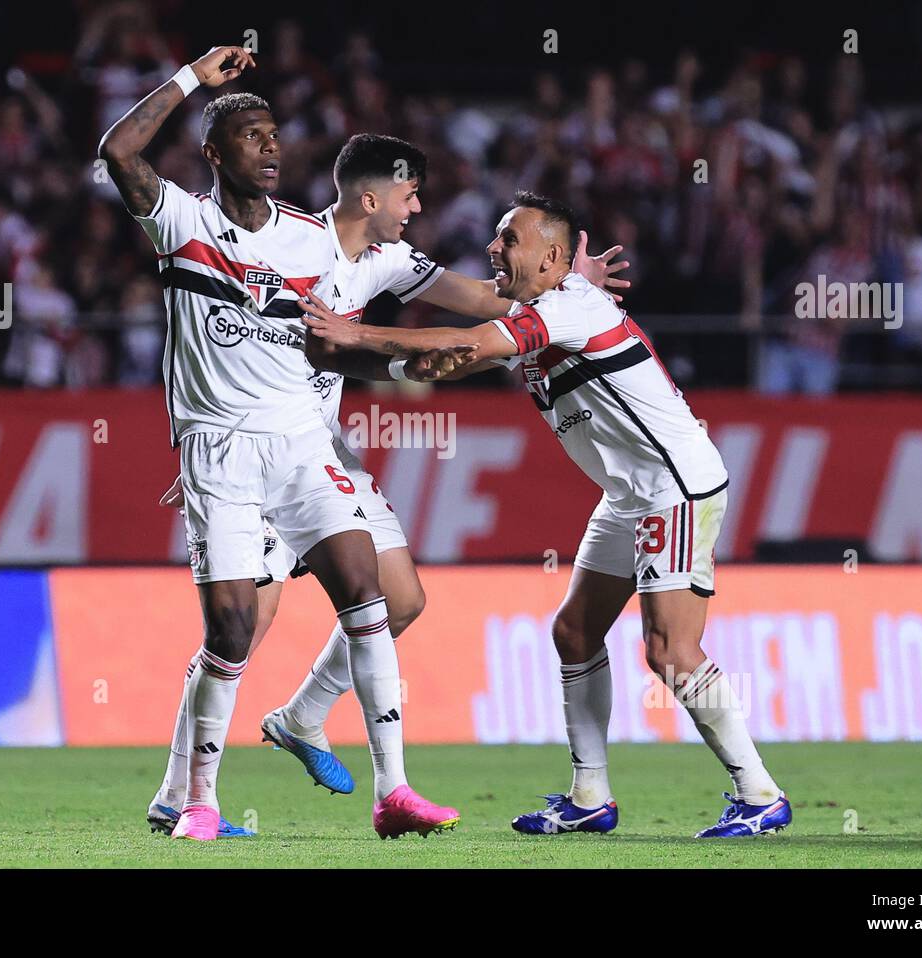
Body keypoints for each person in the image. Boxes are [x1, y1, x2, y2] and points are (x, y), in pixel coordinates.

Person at [147, 133, 629, 834]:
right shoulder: (283, 245)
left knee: (398, 597)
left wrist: (569, 285)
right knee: (241, 630)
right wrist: (204, 450)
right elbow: (209, 335)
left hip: (318, 459)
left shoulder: (388, 262)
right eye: (409, 194)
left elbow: (485, 301)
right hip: (258, 457)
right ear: (369, 198)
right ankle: (179, 791)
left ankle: (304, 719)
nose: (418, 207)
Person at [302, 191, 791, 838]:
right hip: (629, 493)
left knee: (672, 650)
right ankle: (590, 794)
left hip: (673, 486)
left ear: (552, 256)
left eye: (510, 240)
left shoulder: (568, 308)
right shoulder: (549, 304)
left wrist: (357, 333)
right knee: (575, 636)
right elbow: (462, 341)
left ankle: (759, 793)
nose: (493, 248)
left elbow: (473, 339)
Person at [98, 45, 459, 841]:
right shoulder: (180, 221)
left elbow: (330, 341)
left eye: (274, 135)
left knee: (368, 589)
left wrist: (407, 357)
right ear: (214, 152)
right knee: (231, 630)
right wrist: (194, 79)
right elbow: (118, 151)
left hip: (301, 444)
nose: (269, 147)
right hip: (220, 452)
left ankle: (393, 790)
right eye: (251, 135)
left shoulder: (312, 241)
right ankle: (195, 799)